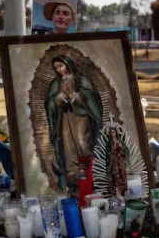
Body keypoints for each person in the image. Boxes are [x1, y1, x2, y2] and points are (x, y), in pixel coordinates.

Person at [45, 55, 103, 192]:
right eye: (56, 68)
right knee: (69, 148)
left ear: (68, 64)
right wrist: (59, 98)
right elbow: (50, 103)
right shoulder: (56, 83)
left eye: (61, 66)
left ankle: (89, 178)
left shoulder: (81, 80)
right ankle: (74, 181)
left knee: (83, 144)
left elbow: (91, 97)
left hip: (81, 117)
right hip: (65, 119)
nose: (59, 70)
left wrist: (76, 96)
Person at [106, 127, 129, 200]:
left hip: (121, 162)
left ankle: (124, 192)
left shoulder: (120, 141)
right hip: (114, 163)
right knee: (116, 177)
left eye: (114, 132)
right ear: (110, 134)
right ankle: (118, 193)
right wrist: (114, 147)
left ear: (116, 133)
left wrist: (120, 145)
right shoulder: (109, 144)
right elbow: (109, 154)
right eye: (112, 132)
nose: (113, 133)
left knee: (123, 176)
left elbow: (125, 151)